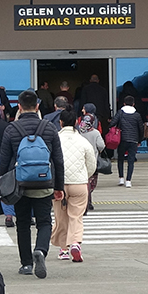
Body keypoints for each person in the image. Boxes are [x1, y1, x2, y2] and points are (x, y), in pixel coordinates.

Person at [0, 90, 65, 279]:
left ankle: (26, 264)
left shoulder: (11, 129)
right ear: (37, 107)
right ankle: (41, 251)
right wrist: (59, 186)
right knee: (44, 221)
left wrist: (4, 186)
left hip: (20, 185)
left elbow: (4, 161)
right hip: (44, 182)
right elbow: (58, 161)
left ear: (19, 107)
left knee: (23, 224)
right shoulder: (49, 128)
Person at [52, 109, 97, 263]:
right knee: (76, 216)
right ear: (77, 122)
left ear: (61, 122)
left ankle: (63, 249)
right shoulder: (83, 141)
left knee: (60, 216)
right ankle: (76, 243)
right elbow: (91, 164)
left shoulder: (55, 139)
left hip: (59, 184)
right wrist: (85, 175)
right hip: (79, 183)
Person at [110, 95, 145, 188]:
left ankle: (121, 178)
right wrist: (140, 139)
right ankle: (128, 180)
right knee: (131, 160)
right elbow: (141, 128)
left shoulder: (120, 113)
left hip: (122, 139)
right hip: (133, 140)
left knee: (120, 158)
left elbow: (112, 123)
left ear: (124, 103)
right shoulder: (137, 115)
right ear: (133, 104)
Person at [77, 105, 105, 213]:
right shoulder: (95, 132)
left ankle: (85, 202)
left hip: (80, 159)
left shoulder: (79, 132)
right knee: (91, 182)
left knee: (83, 182)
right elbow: (101, 146)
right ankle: (88, 202)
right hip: (92, 160)